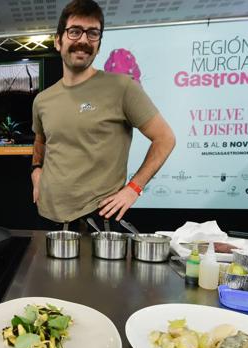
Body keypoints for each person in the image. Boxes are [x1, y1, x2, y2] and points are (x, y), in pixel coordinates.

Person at [30, 0, 176, 230]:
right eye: (75, 31)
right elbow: (41, 140)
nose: (84, 41)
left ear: (98, 45)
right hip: (47, 214)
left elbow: (165, 138)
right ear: (58, 41)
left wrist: (133, 188)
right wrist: (36, 171)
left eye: (93, 34)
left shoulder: (122, 87)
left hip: (97, 219)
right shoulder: (43, 99)